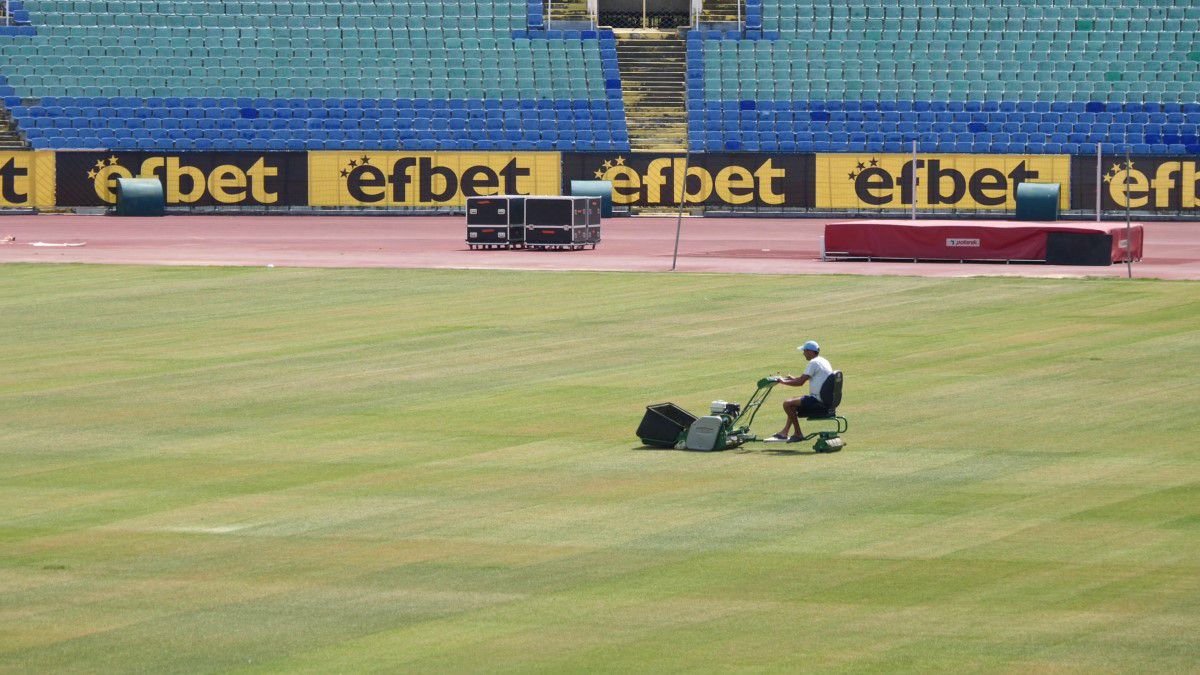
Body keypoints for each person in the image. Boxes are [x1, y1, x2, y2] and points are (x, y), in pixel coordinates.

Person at [766, 340, 833, 443]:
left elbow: (800, 382)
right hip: (824, 399)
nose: (803, 353)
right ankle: (784, 432)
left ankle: (798, 433)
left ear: (810, 351)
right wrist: (793, 379)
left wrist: (783, 382)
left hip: (817, 400)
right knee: (793, 402)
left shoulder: (813, 363)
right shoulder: (823, 361)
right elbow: (805, 378)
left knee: (787, 404)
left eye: (804, 351)